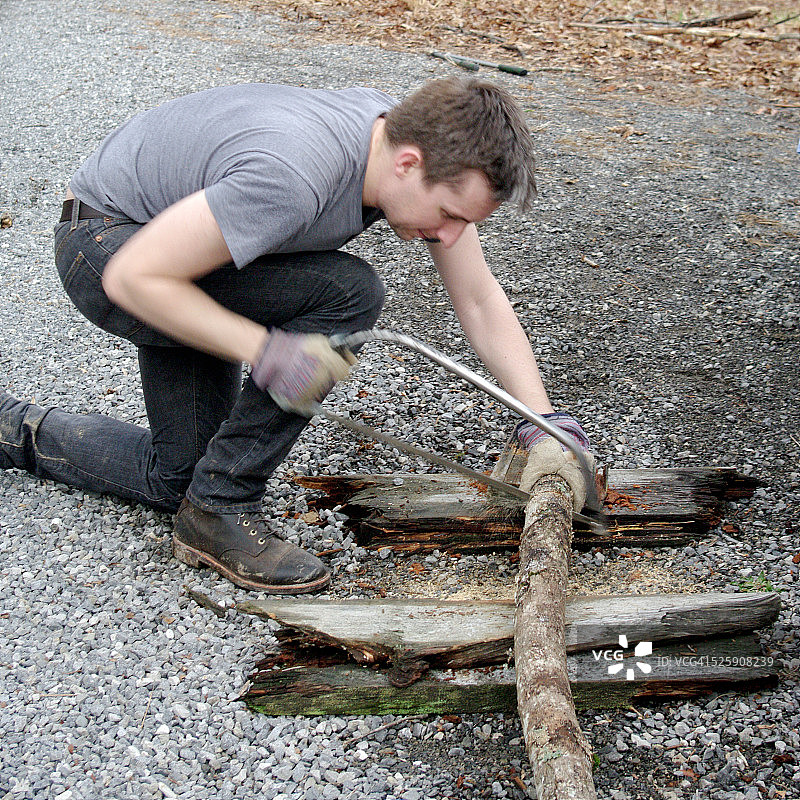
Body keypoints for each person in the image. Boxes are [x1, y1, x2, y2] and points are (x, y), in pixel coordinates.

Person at [0, 77, 593, 594]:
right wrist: (265, 352)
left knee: (177, 477)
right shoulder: (293, 174)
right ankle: (225, 503)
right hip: (107, 250)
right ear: (409, 163)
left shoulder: (404, 145)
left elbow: (480, 299)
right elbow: (134, 277)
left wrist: (540, 422)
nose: (451, 235)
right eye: (450, 214)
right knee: (349, 293)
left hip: (176, 251)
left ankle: (11, 426)